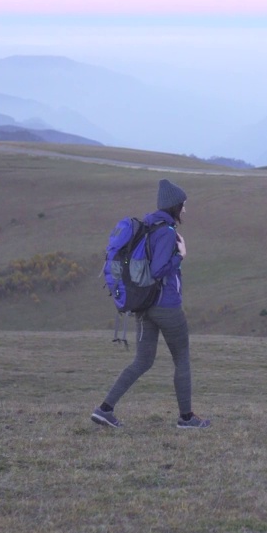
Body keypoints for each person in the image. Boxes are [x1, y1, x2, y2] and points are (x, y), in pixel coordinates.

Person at [91, 179, 211, 430]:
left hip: (143, 306)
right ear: (174, 206)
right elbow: (158, 270)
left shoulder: (146, 226)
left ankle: (104, 409)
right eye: (183, 205)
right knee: (182, 360)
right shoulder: (166, 232)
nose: (185, 210)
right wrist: (181, 256)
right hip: (166, 306)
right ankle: (186, 419)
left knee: (142, 361)